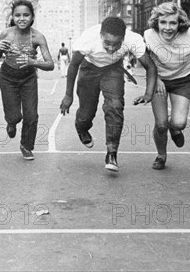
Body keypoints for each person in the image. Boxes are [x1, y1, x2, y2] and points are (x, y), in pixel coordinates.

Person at [60, 16, 157, 173]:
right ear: (100, 35)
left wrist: (148, 93)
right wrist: (68, 96)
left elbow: (150, 67)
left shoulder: (133, 39)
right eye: (107, 43)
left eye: (116, 44)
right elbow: (73, 65)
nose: (111, 48)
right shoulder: (89, 38)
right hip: (89, 68)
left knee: (115, 106)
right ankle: (82, 127)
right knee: (86, 113)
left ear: (124, 38)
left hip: (113, 69)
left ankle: (112, 153)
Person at [144, 2, 190, 170]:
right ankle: (161, 155)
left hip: (182, 80)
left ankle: (175, 129)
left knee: (179, 123)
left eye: (173, 23)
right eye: (163, 22)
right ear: (157, 22)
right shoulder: (149, 35)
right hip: (159, 80)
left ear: (179, 23)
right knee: (161, 124)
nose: (168, 27)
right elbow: (144, 59)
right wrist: (155, 79)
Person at [0, 0, 55, 160]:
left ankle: (26, 146)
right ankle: (11, 122)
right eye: (17, 15)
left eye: (26, 15)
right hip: (7, 77)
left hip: (28, 78)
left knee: (32, 115)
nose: (22, 18)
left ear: (32, 17)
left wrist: (33, 62)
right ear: (12, 17)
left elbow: (50, 65)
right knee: (15, 116)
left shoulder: (37, 37)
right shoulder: (6, 33)